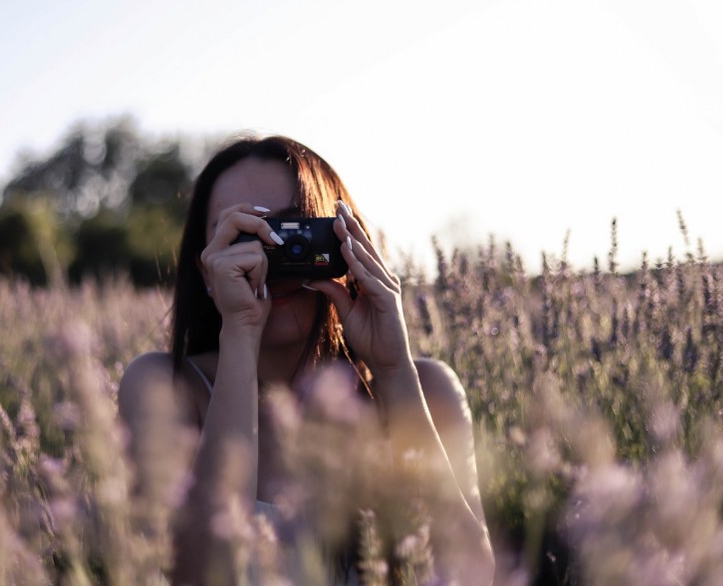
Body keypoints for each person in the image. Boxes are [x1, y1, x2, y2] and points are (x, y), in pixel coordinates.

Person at [119, 134, 494, 585]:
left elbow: (469, 575)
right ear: (206, 270)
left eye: (294, 231)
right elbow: (200, 575)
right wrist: (239, 332)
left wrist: (395, 371)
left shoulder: (429, 390)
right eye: (243, 234)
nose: (269, 254)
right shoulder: (167, 388)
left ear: (347, 240)